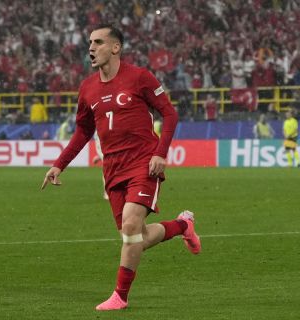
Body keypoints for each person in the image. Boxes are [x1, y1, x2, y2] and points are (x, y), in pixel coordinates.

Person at [41, 24, 201, 311]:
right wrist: (59, 165)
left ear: (115, 47)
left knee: (130, 226)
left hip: (144, 163)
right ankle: (183, 226)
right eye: (90, 42)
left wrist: (160, 153)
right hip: (112, 170)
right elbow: (82, 132)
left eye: (98, 42)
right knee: (134, 237)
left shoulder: (140, 77)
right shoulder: (87, 88)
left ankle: (120, 297)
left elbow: (170, 114)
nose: (91, 47)